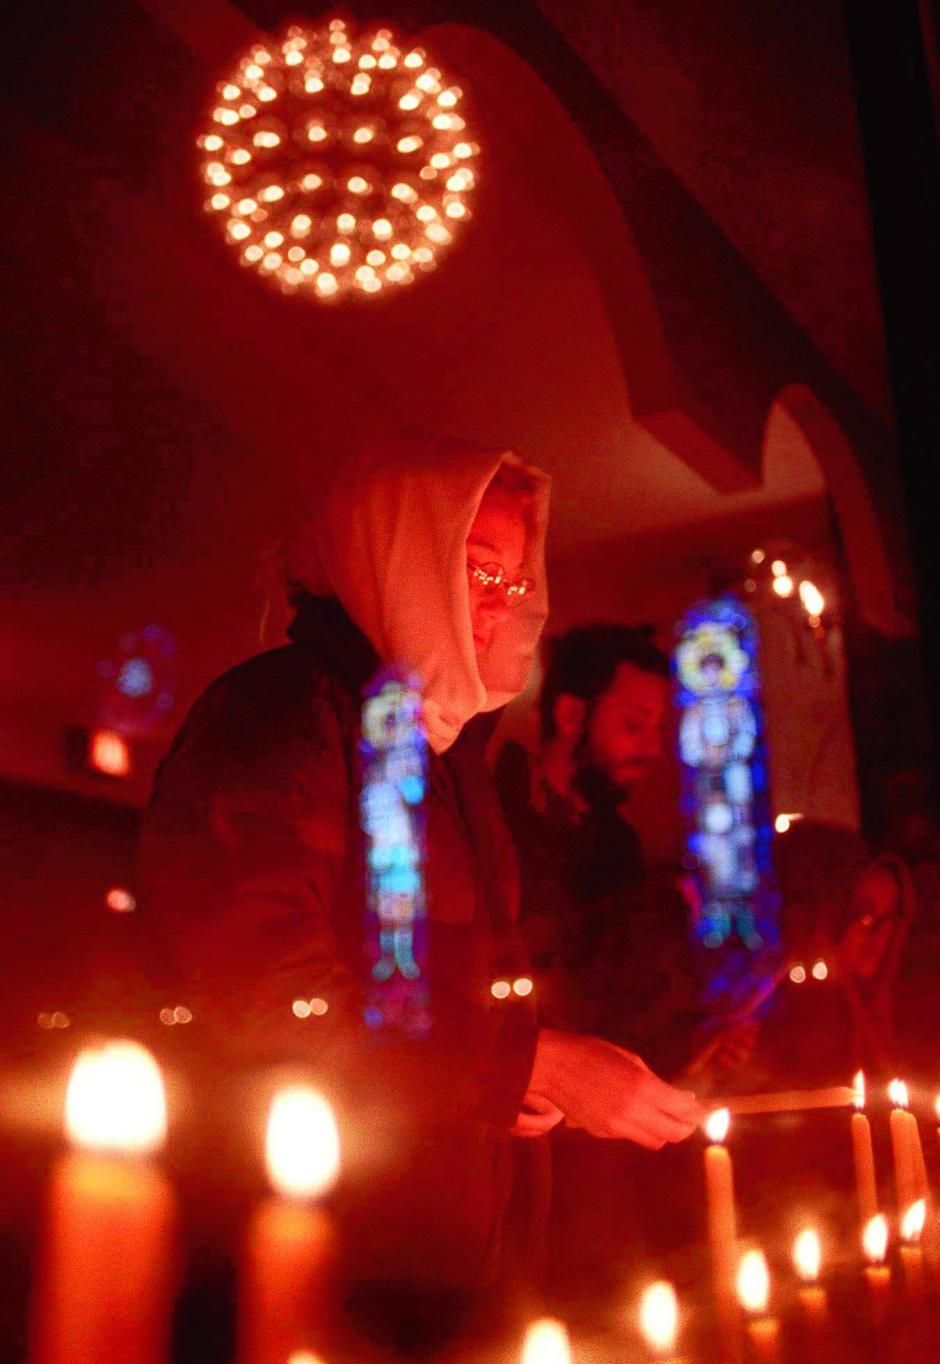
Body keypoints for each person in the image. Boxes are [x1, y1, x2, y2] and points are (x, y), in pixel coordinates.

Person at [138, 435, 701, 1351]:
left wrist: (515, 1081)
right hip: (311, 1241)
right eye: (476, 569)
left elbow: (457, 979)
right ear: (397, 556)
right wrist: (529, 1063)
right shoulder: (282, 714)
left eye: (514, 583)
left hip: (437, 1249)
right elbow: (262, 989)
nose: (496, 608)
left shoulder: (444, 753)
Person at [496, 625, 708, 1311]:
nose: (651, 748)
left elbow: (614, 993)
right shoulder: (492, 812)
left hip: (594, 1164)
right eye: (633, 724)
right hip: (497, 1137)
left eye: (657, 727)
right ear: (569, 714)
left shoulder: (618, 843)